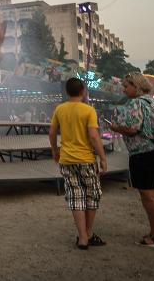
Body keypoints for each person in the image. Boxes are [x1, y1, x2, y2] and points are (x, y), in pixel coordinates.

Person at [110, 72, 154, 248]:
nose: (123, 89)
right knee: (152, 195)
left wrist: (116, 127)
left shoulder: (136, 103)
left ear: (135, 86)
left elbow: (132, 129)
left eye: (126, 86)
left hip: (144, 154)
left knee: (149, 197)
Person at [49, 77, 108, 250]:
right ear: (83, 91)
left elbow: (52, 132)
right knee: (92, 195)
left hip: (67, 160)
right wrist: (103, 158)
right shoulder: (88, 110)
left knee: (76, 197)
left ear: (67, 92)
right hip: (86, 160)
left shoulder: (60, 109)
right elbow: (94, 136)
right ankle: (88, 233)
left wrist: (54, 150)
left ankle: (82, 237)